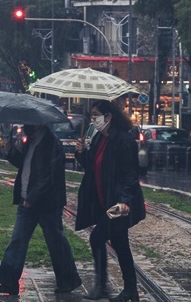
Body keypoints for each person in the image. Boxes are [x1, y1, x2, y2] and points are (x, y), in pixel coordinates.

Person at [0, 124, 82, 296]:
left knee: (56, 242)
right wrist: (10, 150)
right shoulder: (30, 142)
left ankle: (68, 281)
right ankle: (9, 283)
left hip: (47, 204)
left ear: (39, 124)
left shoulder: (52, 143)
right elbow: (23, 164)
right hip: (27, 203)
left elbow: (49, 176)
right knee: (17, 241)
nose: (25, 126)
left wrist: (32, 197)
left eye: (29, 123)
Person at [74, 100, 146, 302]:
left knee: (97, 238)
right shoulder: (99, 139)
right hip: (103, 202)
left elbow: (131, 175)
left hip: (117, 205)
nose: (92, 119)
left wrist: (124, 201)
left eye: (96, 115)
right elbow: (91, 166)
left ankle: (102, 287)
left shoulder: (123, 140)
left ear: (108, 117)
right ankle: (130, 290)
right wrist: (81, 152)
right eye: (91, 115)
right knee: (120, 244)